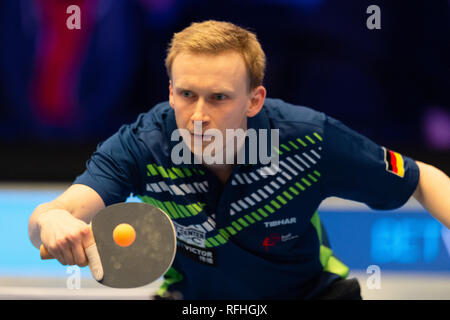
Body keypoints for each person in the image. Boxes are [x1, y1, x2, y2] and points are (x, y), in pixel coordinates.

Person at [28, 20, 450, 300]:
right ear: (171, 91)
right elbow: (57, 212)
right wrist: (51, 221)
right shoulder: (140, 145)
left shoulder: (309, 139)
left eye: (219, 98)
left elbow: (420, 178)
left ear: (254, 99)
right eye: (187, 94)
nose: (198, 116)